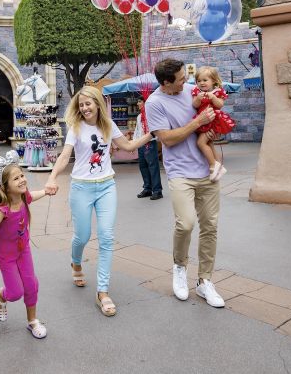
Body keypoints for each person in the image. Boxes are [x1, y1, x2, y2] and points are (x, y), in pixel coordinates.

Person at [44, 85, 154, 317]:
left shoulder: (108, 126)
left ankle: (102, 292)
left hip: (106, 186)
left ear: (97, 104)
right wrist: (52, 178)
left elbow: (128, 147)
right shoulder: (75, 127)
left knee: (106, 237)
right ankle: (76, 262)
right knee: (82, 236)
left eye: (88, 103)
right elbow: (65, 156)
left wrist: (152, 135)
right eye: (81, 104)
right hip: (81, 187)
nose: (84, 108)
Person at [145, 58, 226, 308]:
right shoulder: (154, 103)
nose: (186, 81)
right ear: (166, 82)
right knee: (186, 223)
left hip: (206, 170)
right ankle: (180, 268)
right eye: (180, 78)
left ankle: (204, 281)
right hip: (180, 172)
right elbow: (167, 139)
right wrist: (197, 124)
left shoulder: (192, 89)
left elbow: (213, 113)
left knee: (210, 226)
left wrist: (213, 129)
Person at [0, 152, 50, 339]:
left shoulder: (23, 198)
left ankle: (32, 321)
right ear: (5, 186)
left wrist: (46, 191)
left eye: (22, 175)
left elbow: (33, 196)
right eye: (16, 178)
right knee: (15, 293)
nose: (22, 179)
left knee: (32, 284)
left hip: (24, 251)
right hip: (7, 256)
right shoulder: (1, 210)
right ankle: (1, 296)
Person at [191, 66, 235, 182]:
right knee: (209, 142)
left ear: (214, 81)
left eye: (205, 80)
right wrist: (198, 99)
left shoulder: (217, 92)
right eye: (199, 81)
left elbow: (220, 105)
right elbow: (194, 105)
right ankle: (219, 165)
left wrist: (213, 97)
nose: (201, 83)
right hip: (203, 120)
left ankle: (212, 165)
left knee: (200, 143)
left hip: (214, 120)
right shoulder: (197, 92)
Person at [132, 97, 163, 200]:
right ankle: (147, 188)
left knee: (153, 167)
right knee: (143, 166)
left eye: (140, 101)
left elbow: (157, 129)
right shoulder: (139, 116)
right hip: (140, 144)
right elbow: (137, 130)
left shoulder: (151, 115)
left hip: (150, 142)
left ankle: (157, 190)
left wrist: (152, 137)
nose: (137, 103)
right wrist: (134, 143)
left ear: (145, 102)